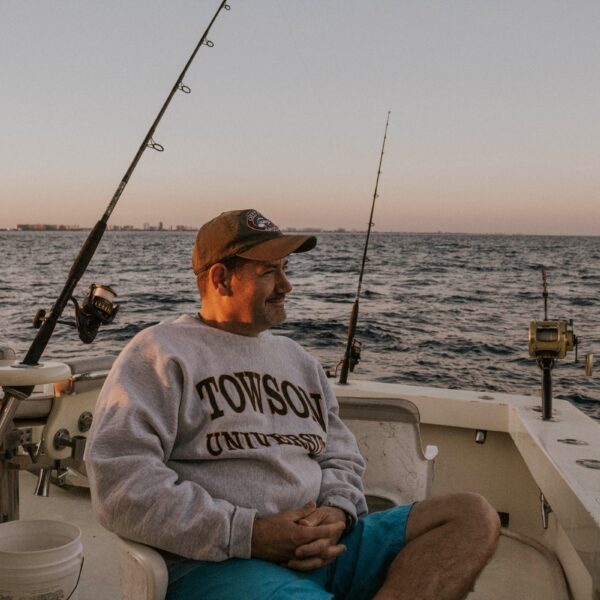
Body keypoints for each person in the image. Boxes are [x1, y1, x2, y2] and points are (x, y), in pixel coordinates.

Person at [85, 208, 500, 600]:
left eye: (286, 269)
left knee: (471, 516)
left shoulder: (299, 361)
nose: (287, 286)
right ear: (221, 278)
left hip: (327, 547)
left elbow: (341, 456)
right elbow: (122, 481)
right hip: (221, 561)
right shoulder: (158, 353)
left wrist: (337, 513)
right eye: (269, 272)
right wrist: (251, 534)